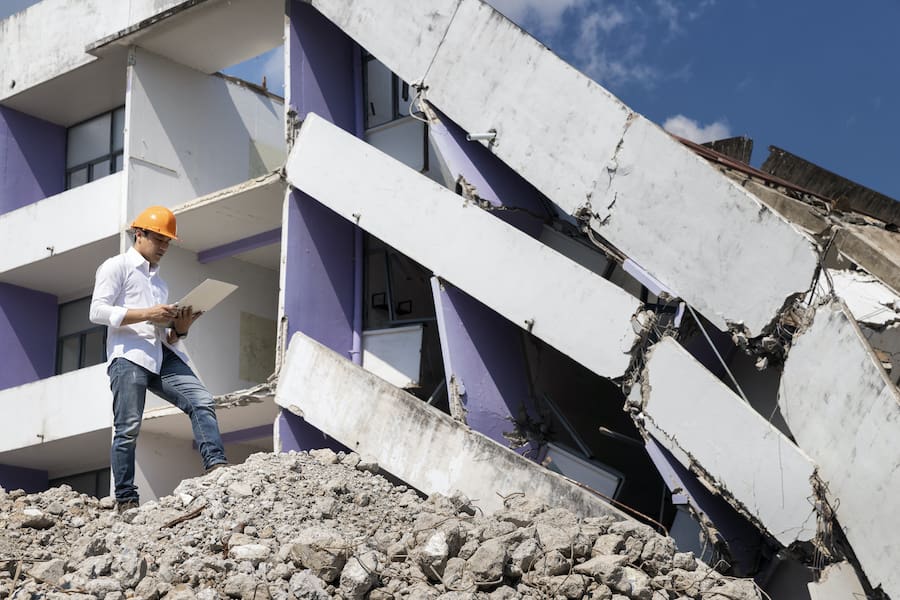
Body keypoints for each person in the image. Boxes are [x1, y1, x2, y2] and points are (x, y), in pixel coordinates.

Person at [90, 205, 227, 512]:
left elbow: (166, 335)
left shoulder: (159, 283)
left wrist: (181, 329)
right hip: (128, 357)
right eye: (159, 239)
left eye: (167, 241)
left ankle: (216, 466)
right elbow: (96, 311)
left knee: (201, 400)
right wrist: (147, 314)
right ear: (139, 234)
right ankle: (126, 499)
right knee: (127, 428)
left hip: (160, 354)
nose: (164, 246)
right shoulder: (116, 267)